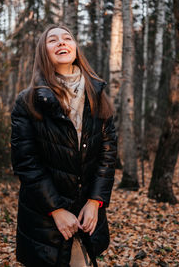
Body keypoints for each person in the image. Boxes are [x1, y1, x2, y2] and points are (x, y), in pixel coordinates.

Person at [11, 24, 117, 267]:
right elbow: (26, 163)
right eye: (53, 40)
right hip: (44, 216)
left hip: (86, 213)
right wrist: (56, 210)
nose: (61, 42)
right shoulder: (27, 101)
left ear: (75, 48)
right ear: (43, 52)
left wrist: (95, 202)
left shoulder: (96, 94)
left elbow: (108, 155)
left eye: (67, 38)